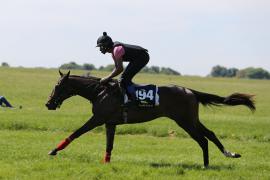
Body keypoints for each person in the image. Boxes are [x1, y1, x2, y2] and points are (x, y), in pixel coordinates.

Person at [96, 32, 149, 103]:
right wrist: (107, 77)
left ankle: (134, 99)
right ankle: (131, 96)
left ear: (106, 45)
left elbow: (120, 69)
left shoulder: (116, 50)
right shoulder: (113, 53)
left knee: (124, 79)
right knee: (123, 79)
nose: (100, 49)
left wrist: (107, 78)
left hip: (143, 57)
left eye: (101, 46)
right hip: (138, 58)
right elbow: (116, 68)